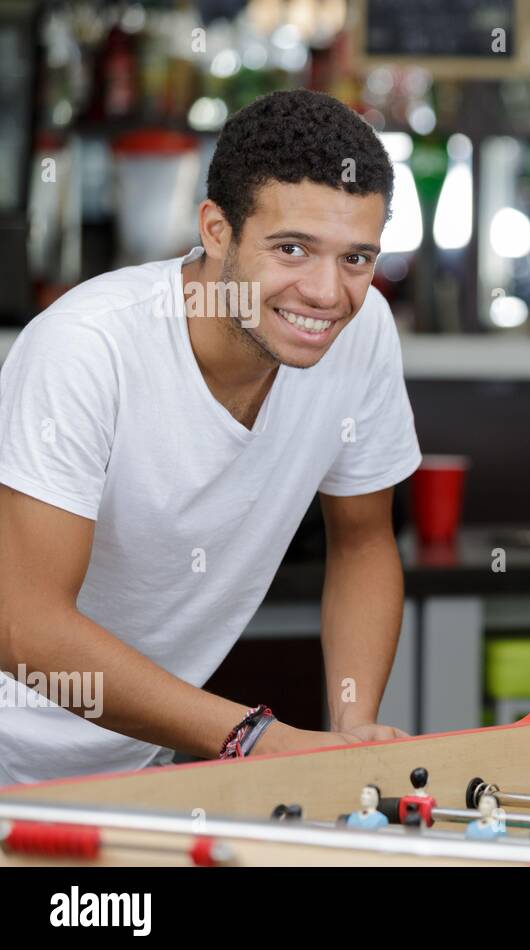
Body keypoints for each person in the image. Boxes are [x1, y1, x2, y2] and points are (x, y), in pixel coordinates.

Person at [0, 89, 422, 785]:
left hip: (133, 767)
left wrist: (352, 732)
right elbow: (24, 625)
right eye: (292, 249)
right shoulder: (87, 347)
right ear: (217, 230)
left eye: (356, 259)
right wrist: (253, 740)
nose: (326, 292)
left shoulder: (363, 331)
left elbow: (363, 541)